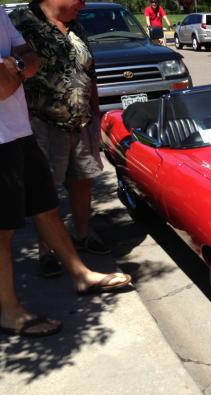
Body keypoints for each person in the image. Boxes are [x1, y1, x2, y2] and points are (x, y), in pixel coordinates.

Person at [1, 7, 132, 337]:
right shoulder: (23, 16)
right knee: (2, 230)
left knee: (46, 208)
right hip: (7, 136)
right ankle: (10, 311)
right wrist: (19, 67)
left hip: (17, 130)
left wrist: (15, 65)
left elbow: (28, 58)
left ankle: (80, 274)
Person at [11, 0, 110, 279]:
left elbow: (89, 72)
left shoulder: (75, 25)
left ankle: (82, 233)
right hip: (42, 123)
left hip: (81, 121)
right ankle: (47, 250)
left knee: (82, 180)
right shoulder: (21, 21)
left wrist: (96, 110)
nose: (84, 3)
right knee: (46, 190)